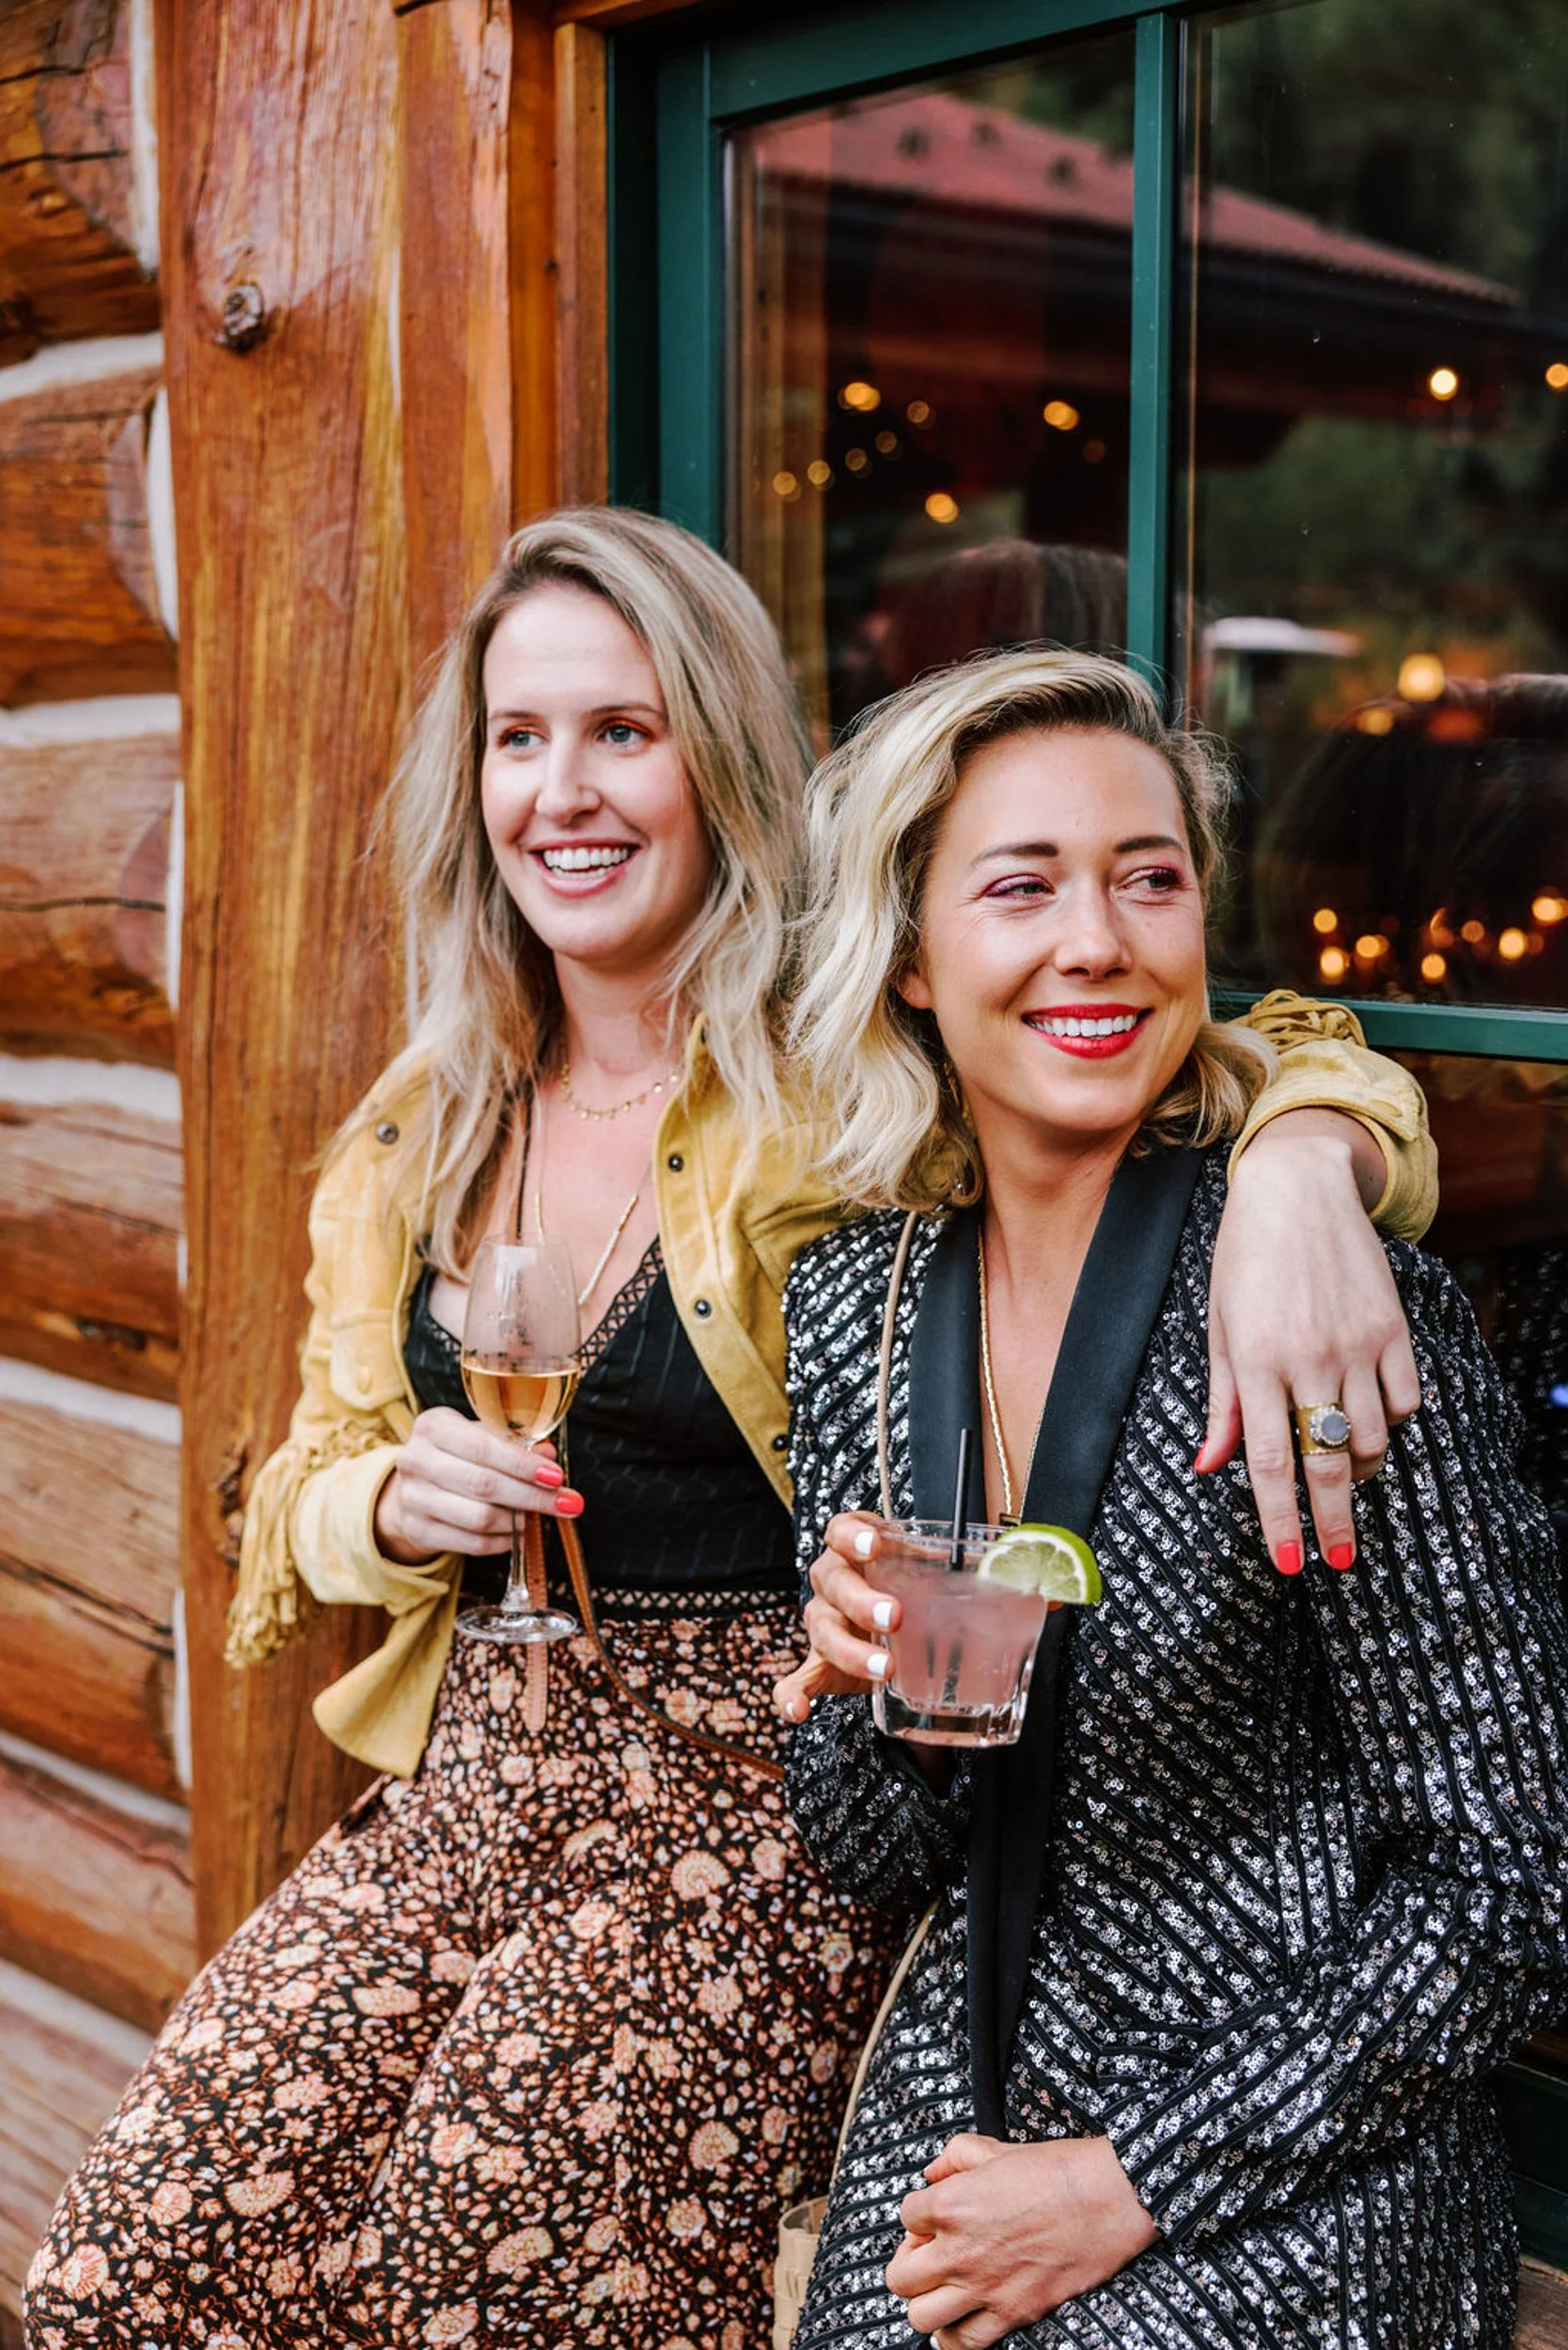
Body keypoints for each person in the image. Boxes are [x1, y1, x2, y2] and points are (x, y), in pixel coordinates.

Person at [29, 517, 1434, 2350]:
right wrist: (379, 1493)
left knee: (502, 2239)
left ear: (717, 753)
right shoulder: (418, 1117)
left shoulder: (844, 1062)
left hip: (770, 1794)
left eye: (626, 729)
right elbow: (295, 1490)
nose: (568, 790)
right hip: (474, 1783)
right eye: (521, 740)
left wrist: (1317, 1167)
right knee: (133, 2256)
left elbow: (1223, 1057)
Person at [774, 648, 1568, 2348]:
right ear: (909, 958)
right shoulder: (859, 1303)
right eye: (1023, 886)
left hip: (1304, 2141)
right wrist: (870, 1698)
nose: (1100, 943)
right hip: (970, 2095)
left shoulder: (1320, 1304)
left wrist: (1132, 2175)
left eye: (1151, 880)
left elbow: (1506, 1885)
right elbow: (868, 1849)